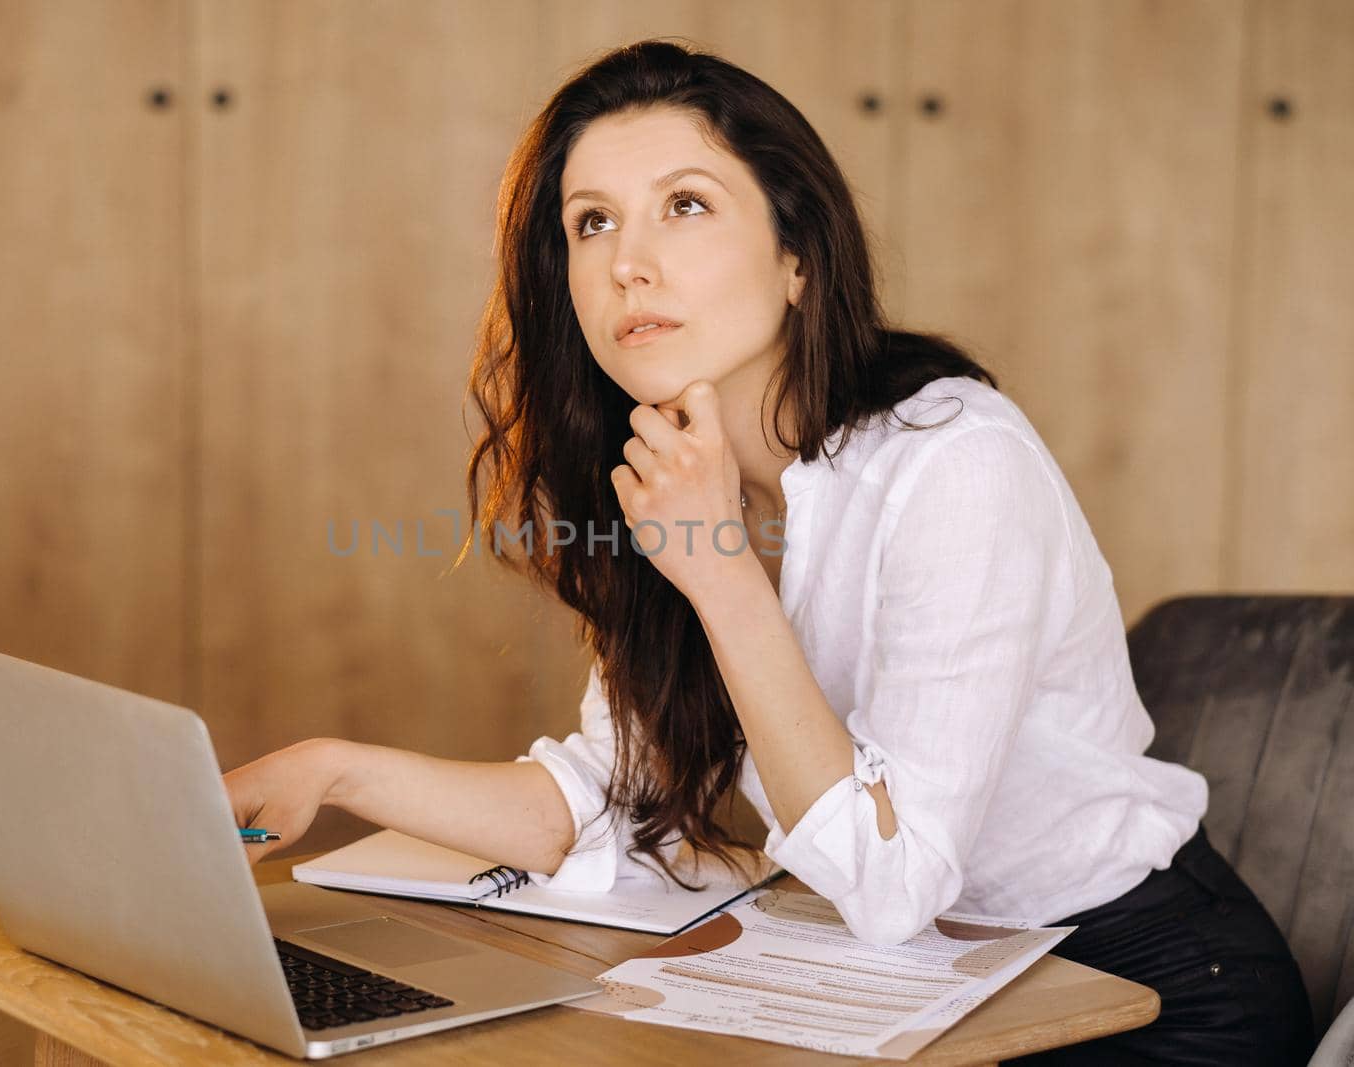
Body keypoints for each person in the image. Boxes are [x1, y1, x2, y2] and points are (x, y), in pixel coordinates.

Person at [223, 39, 1315, 1064]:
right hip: (931, 978)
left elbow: (893, 881)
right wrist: (336, 769)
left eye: (683, 207)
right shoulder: (670, 468)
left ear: (796, 257)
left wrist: (717, 568)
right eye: (590, 223)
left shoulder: (953, 459)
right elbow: (611, 795)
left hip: (1143, 988)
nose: (628, 265)